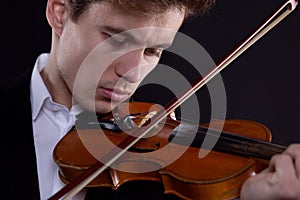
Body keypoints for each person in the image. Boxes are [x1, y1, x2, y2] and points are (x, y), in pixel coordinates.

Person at [1, 0, 299, 200]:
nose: (132, 72)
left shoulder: (156, 169)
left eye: (152, 52)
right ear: (59, 12)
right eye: (117, 39)